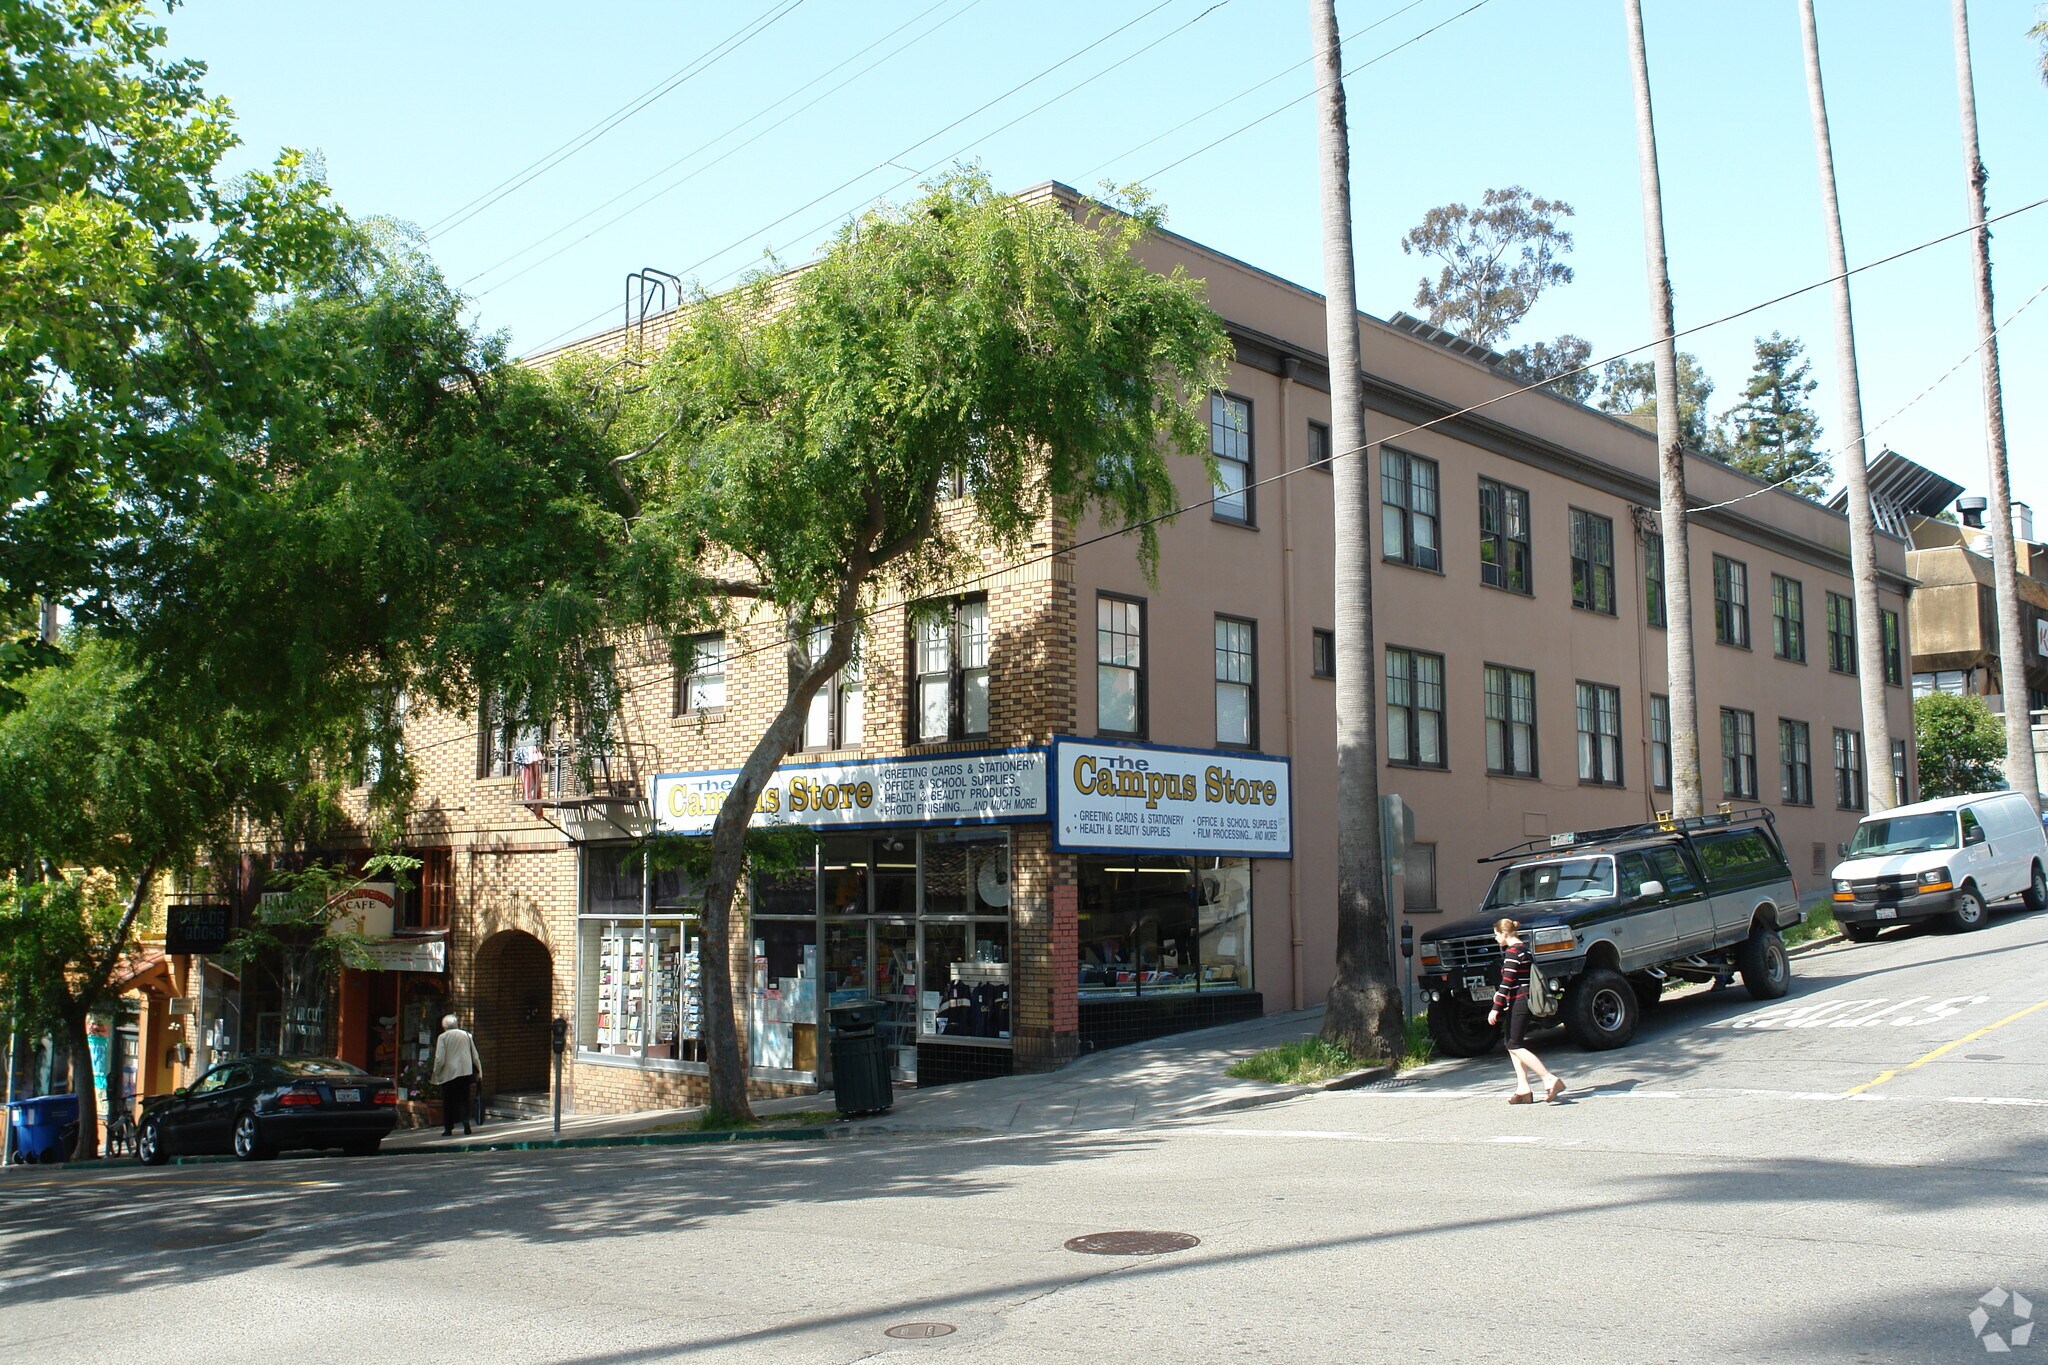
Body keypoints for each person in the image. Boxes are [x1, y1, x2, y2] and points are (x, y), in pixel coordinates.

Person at [1486, 918, 1565, 1105]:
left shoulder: (1512, 952)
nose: (1496, 938)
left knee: (1514, 1045)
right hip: (1524, 999)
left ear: (1504, 934)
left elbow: (1507, 982)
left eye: (1496, 934)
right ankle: (1523, 1089)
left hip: (1519, 1000)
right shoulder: (1525, 949)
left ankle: (1548, 1078)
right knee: (1512, 1043)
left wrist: (1495, 1008)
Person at [431, 1012, 483, 1136]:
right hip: (465, 1072)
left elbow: (439, 1059)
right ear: (456, 1024)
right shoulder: (466, 1035)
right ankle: (466, 1123)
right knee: (463, 1098)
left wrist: (436, 1072)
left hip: (449, 1073)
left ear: (444, 1026)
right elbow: (475, 1056)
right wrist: (480, 1071)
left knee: (448, 1100)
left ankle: (448, 1128)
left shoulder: (442, 1037)